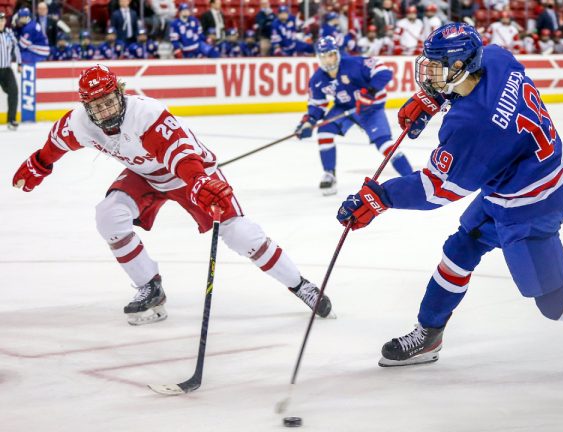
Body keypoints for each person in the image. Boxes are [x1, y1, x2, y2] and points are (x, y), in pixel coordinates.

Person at [335, 23, 563, 383]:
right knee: (461, 249)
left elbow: (435, 190)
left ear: (462, 66)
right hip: (521, 179)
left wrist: (379, 197)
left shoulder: (472, 126)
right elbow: (481, 96)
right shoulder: (495, 57)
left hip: (530, 204)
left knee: (555, 301)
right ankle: (429, 334)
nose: (428, 72)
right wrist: (440, 97)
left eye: (438, 66)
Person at [11, 65, 334, 326]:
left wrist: (198, 184)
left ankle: (300, 285)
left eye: (109, 99)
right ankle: (149, 286)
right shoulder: (80, 123)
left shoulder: (147, 115)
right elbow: (56, 143)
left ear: (120, 92)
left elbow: (181, 157)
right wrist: (39, 164)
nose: (106, 109)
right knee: (108, 215)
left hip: (189, 175)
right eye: (97, 105)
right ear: (86, 107)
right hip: (146, 175)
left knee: (240, 234)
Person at [296, 36, 413, 195]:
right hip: (344, 109)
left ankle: (411, 178)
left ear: (337, 53)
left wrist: (370, 91)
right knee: (324, 131)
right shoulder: (318, 79)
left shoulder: (354, 64)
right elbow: (317, 104)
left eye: (330, 55)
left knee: (385, 144)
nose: (327, 60)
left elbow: (384, 71)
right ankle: (329, 174)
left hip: (370, 109)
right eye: (323, 56)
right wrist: (309, 121)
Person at [0, 11, 20, 130]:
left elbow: (16, 47)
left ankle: (11, 120)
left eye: (2, 20)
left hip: (7, 69)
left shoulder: (8, 33)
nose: (1, 23)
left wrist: (19, 63)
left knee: (14, 92)